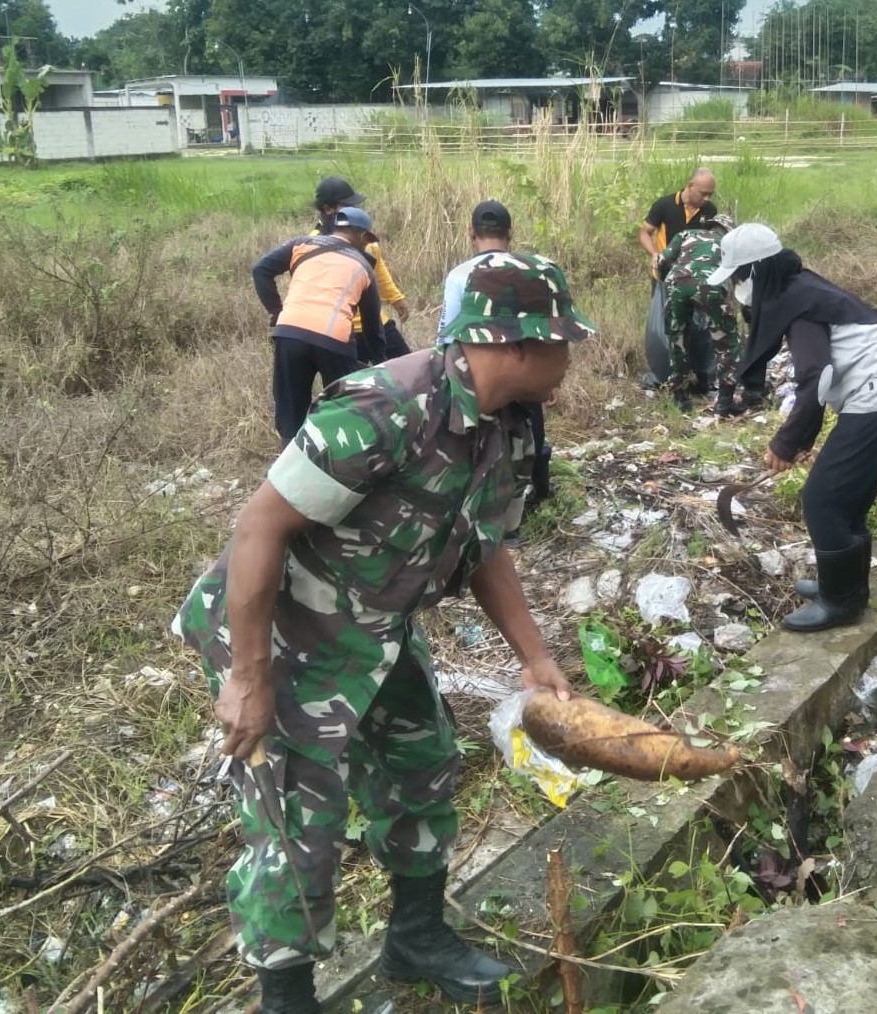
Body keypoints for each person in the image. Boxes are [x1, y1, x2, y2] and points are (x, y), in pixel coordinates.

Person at [175, 250, 594, 1014]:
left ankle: (416, 937)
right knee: (301, 821)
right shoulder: (383, 407)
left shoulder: (504, 424)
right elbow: (259, 526)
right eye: (563, 341)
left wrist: (535, 657)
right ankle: (289, 996)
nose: (572, 357)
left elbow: (482, 546)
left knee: (423, 764)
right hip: (287, 631)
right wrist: (247, 675)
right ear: (514, 342)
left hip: (378, 623)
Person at [709, 223, 877, 631]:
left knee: (822, 501)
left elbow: (817, 377)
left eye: (738, 277)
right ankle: (846, 588)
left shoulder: (798, 304)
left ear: (756, 272)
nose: (736, 287)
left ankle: (839, 603)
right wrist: (803, 434)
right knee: (849, 500)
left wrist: (789, 440)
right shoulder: (797, 287)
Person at [439, 201, 553, 533]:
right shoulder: (532, 269)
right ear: (511, 232)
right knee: (531, 432)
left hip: (478, 374)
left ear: (471, 233)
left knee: (477, 439)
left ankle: (481, 513)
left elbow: (448, 331)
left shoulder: (460, 275)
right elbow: (544, 330)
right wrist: (548, 379)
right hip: (525, 369)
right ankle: (533, 501)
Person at [253, 207, 382, 446]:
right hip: (333, 340)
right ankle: (339, 459)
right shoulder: (364, 267)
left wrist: (276, 311)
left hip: (289, 332)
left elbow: (260, 270)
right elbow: (373, 327)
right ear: (362, 236)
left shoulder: (302, 244)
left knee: (291, 409)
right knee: (343, 407)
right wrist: (381, 364)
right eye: (367, 241)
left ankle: (290, 461)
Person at [309, 177, 413, 361]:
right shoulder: (312, 243)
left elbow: (378, 269)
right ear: (328, 209)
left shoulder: (361, 234)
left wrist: (396, 299)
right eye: (347, 205)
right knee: (350, 386)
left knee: (407, 370)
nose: (354, 210)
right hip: (340, 330)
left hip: (375, 323)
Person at [658, 213, 743, 415]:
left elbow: (662, 260)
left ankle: (679, 397)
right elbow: (737, 278)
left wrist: (665, 282)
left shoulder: (685, 234)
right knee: (727, 342)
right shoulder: (729, 244)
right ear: (729, 231)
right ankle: (724, 402)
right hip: (710, 286)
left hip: (675, 284)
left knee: (677, 340)